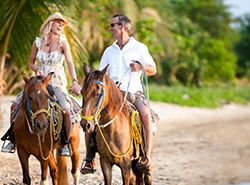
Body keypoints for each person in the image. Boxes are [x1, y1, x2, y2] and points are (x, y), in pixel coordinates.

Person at [81, 14, 157, 174]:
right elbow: (99, 76)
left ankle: (146, 158)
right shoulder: (109, 51)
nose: (110, 29)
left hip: (134, 92)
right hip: (112, 95)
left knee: (145, 116)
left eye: (112, 25)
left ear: (122, 27)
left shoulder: (139, 48)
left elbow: (153, 69)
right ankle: (89, 160)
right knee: (89, 117)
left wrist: (141, 66)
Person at [1, 12, 81, 157]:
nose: (61, 26)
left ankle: (65, 144)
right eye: (58, 22)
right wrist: (36, 69)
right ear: (50, 24)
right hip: (38, 83)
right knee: (14, 106)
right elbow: (31, 63)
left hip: (57, 82)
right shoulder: (37, 43)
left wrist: (74, 80)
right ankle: (13, 139)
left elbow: (69, 63)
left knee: (67, 111)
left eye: (63, 24)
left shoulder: (63, 43)